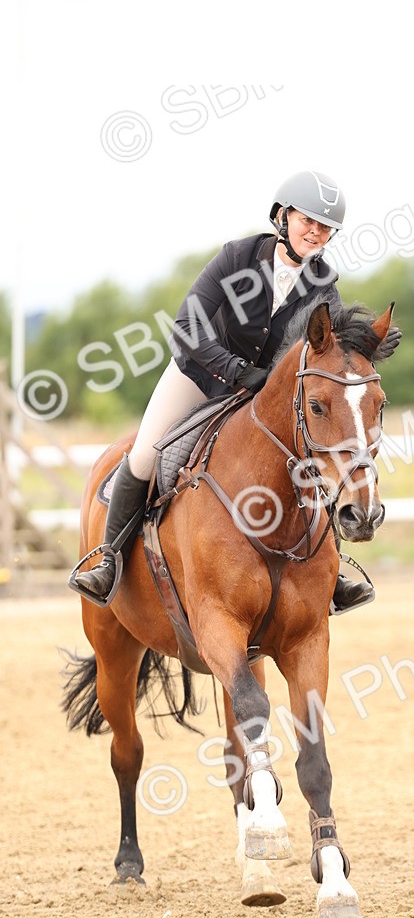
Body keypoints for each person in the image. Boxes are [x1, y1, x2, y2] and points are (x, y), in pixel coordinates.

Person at [71, 170, 396, 614]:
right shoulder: (238, 258)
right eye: (308, 221)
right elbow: (187, 326)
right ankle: (107, 560)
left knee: (315, 457)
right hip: (198, 374)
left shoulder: (323, 283)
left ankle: (331, 568)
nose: (316, 233)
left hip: (261, 394)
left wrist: (367, 344)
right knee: (146, 454)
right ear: (283, 216)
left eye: (325, 227)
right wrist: (236, 371)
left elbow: (330, 352)